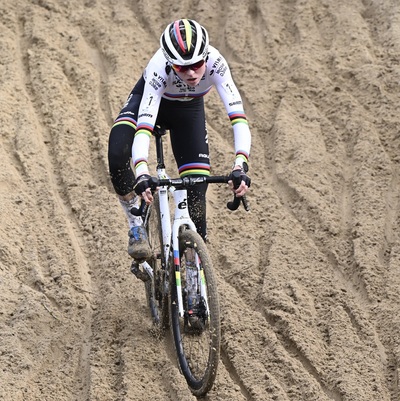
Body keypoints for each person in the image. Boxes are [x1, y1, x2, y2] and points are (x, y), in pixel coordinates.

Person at [108, 18, 251, 261]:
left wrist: (240, 164)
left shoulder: (216, 62)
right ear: (170, 63)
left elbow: (238, 118)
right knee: (118, 151)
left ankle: (196, 275)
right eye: (182, 68)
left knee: (197, 189)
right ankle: (136, 225)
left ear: (206, 57)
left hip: (188, 111)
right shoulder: (158, 67)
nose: (192, 72)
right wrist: (141, 170)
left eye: (196, 64)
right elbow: (144, 125)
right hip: (151, 103)